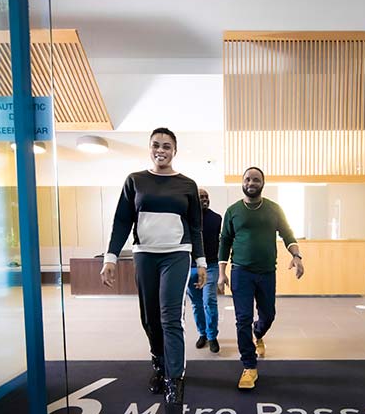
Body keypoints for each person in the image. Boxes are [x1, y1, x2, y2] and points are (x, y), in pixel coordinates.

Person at [100, 127, 206, 414]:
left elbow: (195, 227)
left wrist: (201, 262)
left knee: (172, 317)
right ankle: (159, 361)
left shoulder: (187, 185)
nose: (161, 150)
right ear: (150, 148)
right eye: (156, 145)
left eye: (167, 146)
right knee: (150, 318)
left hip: (177, 255)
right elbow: (122, 221)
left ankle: (175, 380)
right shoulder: (135, 181)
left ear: (175, 150)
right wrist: (110, 257)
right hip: (145, 255)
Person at [217, 167, 305, 390]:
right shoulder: (233, 211)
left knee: (269, 314)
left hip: (266, 272)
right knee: (242, 318)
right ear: (242, 182)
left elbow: (288, 234)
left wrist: (296, 255)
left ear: (263, 183)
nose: (251, 182)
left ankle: (258, 333)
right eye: (248, 179)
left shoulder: (274, 209)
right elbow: (225, 241)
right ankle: (249, 366)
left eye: (256, 179)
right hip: (241, 272)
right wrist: (221, 273)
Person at [187, 188, 222, 353]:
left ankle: (212, 336)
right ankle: (202, 333)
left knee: (209, 301)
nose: (204, 199)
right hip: (191, 266)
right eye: (201, 197)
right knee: (196, 303)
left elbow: (222, 242)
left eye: (206, 196)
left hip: (211, 266)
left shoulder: (217, 219)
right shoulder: (186, 219)